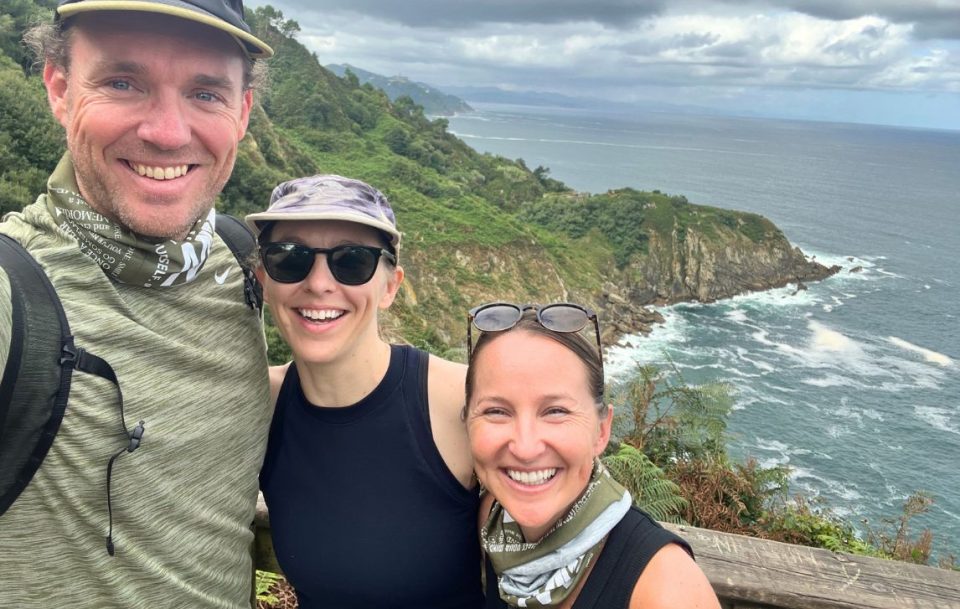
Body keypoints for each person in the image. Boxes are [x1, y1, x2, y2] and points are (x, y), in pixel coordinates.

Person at [0, 2, 274, 607]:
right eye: (123, 83)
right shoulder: (14, 293)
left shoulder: (236, 259)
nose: (168, 132)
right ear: (60, 89)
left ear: (243, 113)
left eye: (206, 94)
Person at [247, 174, 484, 609]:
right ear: (264, 278)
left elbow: (590, 535)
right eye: (290, 258)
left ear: (390, 285)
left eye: (351, 261)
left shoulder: (463, 403)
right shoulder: (257, 403)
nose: (318, 283)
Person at [464, 303, 721, 609]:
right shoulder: (492, 523)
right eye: (496, 411)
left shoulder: (665, 589)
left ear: (601, 431)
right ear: (466, 422)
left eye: (556, 411)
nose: (526, 446)